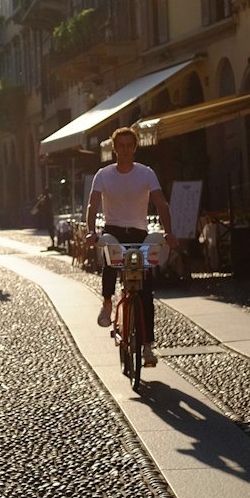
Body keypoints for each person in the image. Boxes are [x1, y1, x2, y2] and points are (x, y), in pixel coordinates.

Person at [85, 127, 177, 368]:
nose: (125, 150)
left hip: (139, 233)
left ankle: (147, 347)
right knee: (110, 261)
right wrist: (90, 232)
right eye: (121, 146)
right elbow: (92, 206)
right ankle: (107, 303)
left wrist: (168, 232)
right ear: (114, 148)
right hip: (113, 230)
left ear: (135, 148)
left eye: (129, 146)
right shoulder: (103, 175)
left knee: (146, 290)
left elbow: (161, 203)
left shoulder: (146, 173)